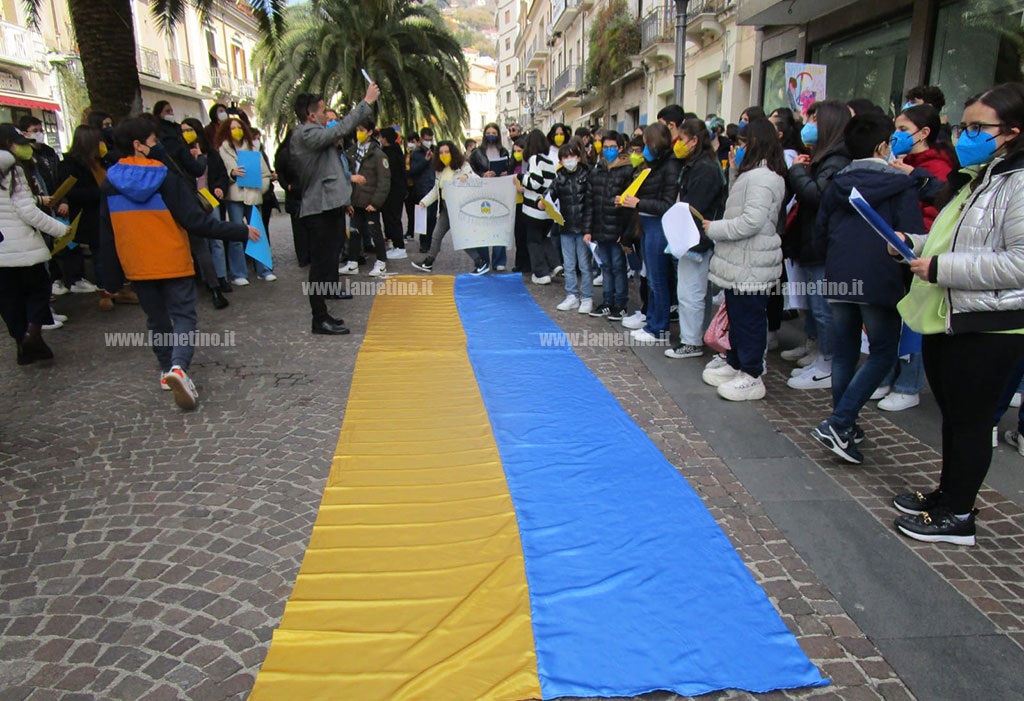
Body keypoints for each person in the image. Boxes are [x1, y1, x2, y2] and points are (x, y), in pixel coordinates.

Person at [892, 82, 1024, 546]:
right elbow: (957, 241)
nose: (964, 135)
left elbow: (1019, 262)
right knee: (954, 417)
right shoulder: (982, 175)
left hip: (989, 324)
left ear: (1011, 131)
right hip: (952, 312)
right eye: (962, 125)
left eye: (976, 127)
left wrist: (942, 267)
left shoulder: (1019, 182)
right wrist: (914, 245)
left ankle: (959, 515)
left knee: (971, 421)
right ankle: (946, 497)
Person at [96, 118, 260, 409]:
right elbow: (196, 221)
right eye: (152, 140)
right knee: (183, 316)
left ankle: (165, 369)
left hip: (137, 264)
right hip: (172, 260)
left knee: (156, 319)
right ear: (139, 145)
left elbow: (106, 234)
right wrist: (240, 230)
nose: (157, 145)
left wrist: (108, 279)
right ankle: (178, 368)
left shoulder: (109, 183)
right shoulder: (166, 178)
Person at [809, 113, 926, 464]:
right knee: (882, 353)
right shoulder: (901, 184)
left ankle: (845, 423)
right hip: (880, 278)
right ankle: (841, 422)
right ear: (883, 146)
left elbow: (820, 231)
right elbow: (912, 234)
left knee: (844, 352)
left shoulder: (838, 183)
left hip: (839, 274)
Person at [875, 103, 959, 411]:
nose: (896, 135)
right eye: (895, 129)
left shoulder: (936, 167)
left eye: (903, 129)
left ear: (924, 133)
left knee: (914, 323)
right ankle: (888, 375)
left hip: (923, 254)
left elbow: (938, 213)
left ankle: (908, 384)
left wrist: (915, 178)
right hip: (901, 248)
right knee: (894, 317)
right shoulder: (899, 161)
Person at [701, 118, 786, 401]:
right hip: (740, 263)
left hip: (752, 262)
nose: (735, 149)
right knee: (737, 317)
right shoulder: (751, 175)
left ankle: (751, 373)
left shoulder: (763, 177)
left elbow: (751, 221)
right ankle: (736, 362)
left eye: (740, 144)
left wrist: (715, 229)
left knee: (749, 320)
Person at [291, 88, 377, 335]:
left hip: (329, 206)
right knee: (319, 266)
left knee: (327, 261)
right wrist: (366, 102)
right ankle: (319, 319)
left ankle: (323, 314)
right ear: (310, 115)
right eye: (322, 111)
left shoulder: (314, 134)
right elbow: (339, 129)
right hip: (318, 209)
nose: (327, 117)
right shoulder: (306, 133)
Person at [785, 100, 852, 390]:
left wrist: (798, 173)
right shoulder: (822, 157)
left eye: (814, 118)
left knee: (825, 309)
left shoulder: (836, 160)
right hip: (811, 242)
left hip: (823, 244)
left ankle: (828, 363)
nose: (808, 125)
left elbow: (818, 195)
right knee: (815, 306)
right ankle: (819, 355)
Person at [0, 124, 71, 364]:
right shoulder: (13, 169)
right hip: (22, 246)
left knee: (9, 298)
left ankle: (23, 343)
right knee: (39, 289)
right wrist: (61, 229)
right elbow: (26, 210)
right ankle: (32, 334)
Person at [664, 118, 726, 360]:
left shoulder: (704, 169)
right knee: (695, 290)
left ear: (694, 140)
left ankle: (692, 340)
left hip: (695, 237)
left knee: (691, 291)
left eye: (681, 139)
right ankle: (696, 336)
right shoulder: (698, 165)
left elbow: (694, 206)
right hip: (693, 236)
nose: (678, 144)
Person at [616, 122, 681, 343]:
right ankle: (652, 321)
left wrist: (638, 203)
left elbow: (666, 204)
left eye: (645, 145)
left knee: (658, 280)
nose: (642, 151)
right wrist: (628, 200)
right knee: (652, 278)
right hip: (646, 224)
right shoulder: (652, 166)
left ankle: (659, 328)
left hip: (658, 226)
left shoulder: (670, 166)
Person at [410, 141, 489, 275]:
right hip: (446, 209)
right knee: (436, 235)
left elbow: (476, 179)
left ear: (452, 152)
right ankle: (428, 262)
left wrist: (467, 176)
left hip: (459, 208)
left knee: (461, 238)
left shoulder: (463, 166)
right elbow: (436, 191)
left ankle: (480, 263)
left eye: (447, 152)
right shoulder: (440, 170)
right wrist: (424, 202)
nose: (444, 155)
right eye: (441, 152)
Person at [216, 115, 273, 283]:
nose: (237, 131)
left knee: (257, 233)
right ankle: (238, 273)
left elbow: (265, 173)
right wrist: (232, 174)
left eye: (239, 127)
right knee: (235, 235)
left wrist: (261, 189)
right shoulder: (222, 150)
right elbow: (218, 173)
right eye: (232, 128)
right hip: (234, 196)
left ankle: (264, 270)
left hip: (253, 195)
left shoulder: (253, 149)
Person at [586, 131, 633, 320]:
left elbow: (630, 206)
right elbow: (590, 202)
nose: (608, 150)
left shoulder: (627, 171)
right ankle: (607, 301)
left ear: (620, 148)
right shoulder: (597, 171)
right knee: (605, 266)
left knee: (618, 266)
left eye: (612, 147)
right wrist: (588, 229)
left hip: (617, 228)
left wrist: (626, 232)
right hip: (600, 227)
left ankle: (620, 303)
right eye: (605, 147)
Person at [549, 140, 593, 314]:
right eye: (565, 157)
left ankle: (587, 297)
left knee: (584, 264)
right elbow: (550, 194)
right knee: (568, 264)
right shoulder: (559, 177)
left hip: (583, 227)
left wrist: (589, 228)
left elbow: (591, 201)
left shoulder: (587, 174)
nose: (569, 160)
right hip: (566, 226)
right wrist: (543, 202)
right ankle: (572, 295)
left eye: (572, 156)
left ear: (578, 156)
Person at [344, 118, 391, 277]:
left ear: (370, 132)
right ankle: (352, 262)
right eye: (357, 129)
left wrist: (376, 202)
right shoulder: (351, 152)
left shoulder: (378, 155)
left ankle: (381, 262)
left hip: (370, 200)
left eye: (362, 130)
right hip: (355, 200)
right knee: (354, 231)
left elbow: (384, 181)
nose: (359, 133)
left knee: (375, 231)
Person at [519, 129, 561, 283]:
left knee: (533, 241)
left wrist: (521, 178)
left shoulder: (534, 159)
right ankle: (555, 264)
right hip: (546, 211)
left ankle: (541, 273)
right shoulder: (549, 161)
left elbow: (536, 182)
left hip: (533, 210)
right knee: (544, 238)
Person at [468, 122, 511, 269]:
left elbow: (509, 167)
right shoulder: (477, 153)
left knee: (499, 224)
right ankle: (484, 259)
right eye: (488, 133)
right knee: (483, 226)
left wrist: (506, 172)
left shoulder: (504, 151)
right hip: (482, 192)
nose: (491, 135)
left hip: (500, 191)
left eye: (494, 133)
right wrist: (482, 175)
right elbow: (470, 171)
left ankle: (499, 260)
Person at [275, 130, 309, 267]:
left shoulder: (307, 153)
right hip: (294, 196)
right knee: (299, 229)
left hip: (308, 194)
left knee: (310, 227)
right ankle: (302, 257)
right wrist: (287, 186)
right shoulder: (285, 155)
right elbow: (280, 172)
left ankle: (311, 254)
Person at [379, 127, 407, 260]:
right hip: (394, 190)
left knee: (394, 218)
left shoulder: (390, 153)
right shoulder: (395, 150)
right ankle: (395, 244)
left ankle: (400, 247)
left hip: (394, 191)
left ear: (385, 139)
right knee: (390, 218)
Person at [408, 128, 437, 253]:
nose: (428, 142)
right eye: (426, 140)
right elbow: (413, 171)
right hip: (422, 188)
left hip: (434, 187)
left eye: (430, 140)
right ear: (421, 139)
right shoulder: (416, 153)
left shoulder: (436, 150)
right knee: (424, 216)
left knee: (432, 217)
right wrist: (425, 161)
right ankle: (423, 243)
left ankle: (429, 241)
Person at [511, 137, 530, 274]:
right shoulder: (512, 165)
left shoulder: (529, 164)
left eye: (519, 150)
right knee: (518, 234)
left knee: (526, 234)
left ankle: (528, 263)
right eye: (515, 151)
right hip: (516, 202)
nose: (517, 153)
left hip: (527, 202)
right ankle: (519, 262)